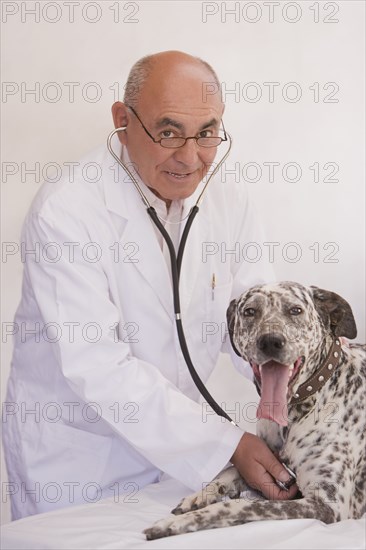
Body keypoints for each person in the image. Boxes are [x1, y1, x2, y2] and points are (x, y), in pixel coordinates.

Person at [3, 51, 298, 520]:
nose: (189, 157)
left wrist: (299, 369)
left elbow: (254, 315)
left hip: (180, 459)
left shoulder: (228, 198)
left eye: (207, 133)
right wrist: (224, 443)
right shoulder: (67, 211)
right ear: (123, 120)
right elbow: (99, 367)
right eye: (168, 132)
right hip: (84, 464)